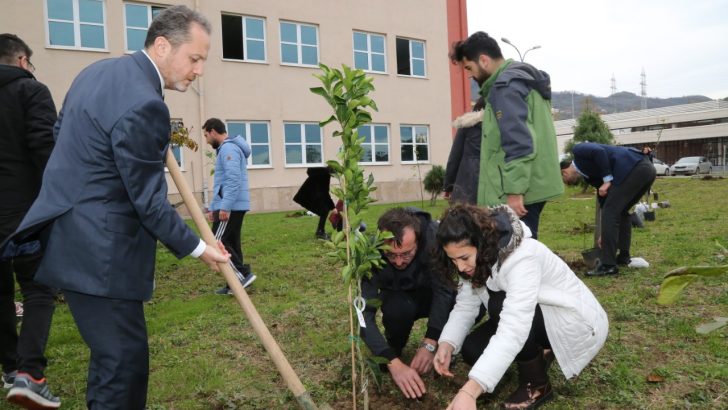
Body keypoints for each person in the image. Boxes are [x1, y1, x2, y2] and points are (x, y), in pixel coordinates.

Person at [4, 7, 230, 409]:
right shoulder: (147, 103)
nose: (199, 71)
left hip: (73, 239)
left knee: (117, 362)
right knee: (123, 367)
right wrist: (200, 248)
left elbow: (61, 136)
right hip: (101, 256)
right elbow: (149, 202)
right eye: (195, 58)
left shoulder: (97, 72)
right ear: (162, 46)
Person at [432, 204, 608, 410]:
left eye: (464, 258)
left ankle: (536, 385)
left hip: (573, 322)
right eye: (453, 260)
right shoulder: (479, 260)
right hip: (534, 315)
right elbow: (465, 306)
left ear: (482, 243)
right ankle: (541, 350)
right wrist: (447, 343)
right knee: (472, 349)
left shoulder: (522, 257)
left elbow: (514, 327)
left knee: (499, 305)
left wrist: (470, 391)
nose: (460, 267)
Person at [449, 32, 563, 239]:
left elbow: (519, 141)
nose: (470, 75)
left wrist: (514, 191)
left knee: (516, 251)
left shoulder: (505, 86)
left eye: (469, 68)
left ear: (483, 60)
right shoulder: (520, 81)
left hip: (520, 189)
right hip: (531, 182)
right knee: (523, 247)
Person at [0, 33, 60, 409]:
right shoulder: (30, 92)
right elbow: (45, 149)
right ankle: (30, 374)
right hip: (23, 215)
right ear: (22, 60)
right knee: (38, 288)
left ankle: (10, 367)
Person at [360, 207, 455, 399]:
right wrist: (391, 360)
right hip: (400, 296)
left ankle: (448, 346)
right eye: (391, 255)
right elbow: (363, 314)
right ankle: (395, 347)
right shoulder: (371, 253)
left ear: (418, 242)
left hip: (432, 293)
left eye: (406, 254)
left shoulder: (434, 239)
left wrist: (431, 342)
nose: (398, 261)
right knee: (397, 309)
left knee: (457, 303)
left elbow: (443, 291)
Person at [561, 142, 656, 276]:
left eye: (564, 177)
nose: (566, 181)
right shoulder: (589, 175)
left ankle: (608, 265)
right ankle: (623, 257)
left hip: (634, 168)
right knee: (621, 211)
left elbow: (599, 152)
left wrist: (606, 180)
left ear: (564, 170)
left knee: (611, 213)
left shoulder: (578, 150)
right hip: (645, 170)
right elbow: (604, 199)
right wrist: (604, 233)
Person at [202, 118, 256, 295]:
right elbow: (221, 184)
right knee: (231, 243)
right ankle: (234, 284)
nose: (206, 140)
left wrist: (224, 208)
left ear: (213, 131)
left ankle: (242, 275)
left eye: (206, 135)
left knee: (217, 242)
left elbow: (232, 181)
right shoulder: (226, 149)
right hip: (230, 204)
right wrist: (213, 208)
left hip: (231, 206)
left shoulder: (228, 148)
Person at [444, 97, 485, 204]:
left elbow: (455, 157)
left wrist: (448, 186)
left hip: (467, 181)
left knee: (465, 217)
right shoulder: (499, 125)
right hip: (492, 182)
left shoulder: (466, 125)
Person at [292, 167, 334, 240]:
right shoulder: (324, 175)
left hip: (313, 193)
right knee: (325, 209)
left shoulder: (321, 172)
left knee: (325, 209)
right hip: (310, 194)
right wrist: (333, 207)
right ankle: (320, 232)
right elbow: (325, 192)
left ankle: (320, 231)